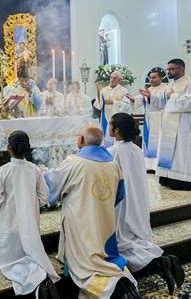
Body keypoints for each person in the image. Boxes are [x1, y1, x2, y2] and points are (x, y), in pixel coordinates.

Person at [44, 125, 139, 298]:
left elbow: (52, 186)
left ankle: (115, 289)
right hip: (105, 224)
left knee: (84, 266)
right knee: (104, 257)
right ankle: (124, 281)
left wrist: (41, 173)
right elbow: (120, 195)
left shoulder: (74, 162)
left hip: (81, 225)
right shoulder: (113, 163)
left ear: (81, 140)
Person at [108, 113, 185, 295]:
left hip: (123, 202)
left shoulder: (113, 152)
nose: (108, 127)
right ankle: (163, 258)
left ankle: (159, 262)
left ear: (116, 130)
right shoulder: (135, 149)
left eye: (110, 124)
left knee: (122, 242)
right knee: (135, 239)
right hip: (137, 201)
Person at [0, 131, 60, 298]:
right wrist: (32, 203)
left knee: (11, 259)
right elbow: (44, 197)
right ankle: (39, 277)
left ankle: (32, 281)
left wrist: (2, 202)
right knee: (31, 251)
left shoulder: (3, 171)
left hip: (9, 221)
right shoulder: (34, 169)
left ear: (9, 148)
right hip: (31, 220)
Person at [139, 59, 191, 191]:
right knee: (168, 152)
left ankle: (183, 181)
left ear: (181, 69)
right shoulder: (169, 85)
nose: (168, 72)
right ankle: (167, 178)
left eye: (171, 69)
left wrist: (173, 96)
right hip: (168, 126)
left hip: (183, 126)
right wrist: (151, 97)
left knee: (181, 153)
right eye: (168, 69)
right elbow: (161, 103)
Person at [126, 69, 166, 171]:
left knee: (158, 142)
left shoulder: (165, 89)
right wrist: (132, 99)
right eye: (150, 77)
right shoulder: (149, 89)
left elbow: (162, 103)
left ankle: (157, 166)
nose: (151, 79)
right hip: (148, 120)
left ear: (161, 78)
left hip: (160, 119)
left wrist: (150, 97)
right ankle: (148, 165)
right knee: (148, 141)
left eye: (154, 77)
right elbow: (139, 100)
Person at [94, 71, 132, 146]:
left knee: (116, 140)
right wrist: (98, 92)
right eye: (111, 77)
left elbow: (127, 105)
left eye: (115, 78)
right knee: (105, 140)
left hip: (117, 120)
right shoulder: (104, 90)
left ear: (119, 80)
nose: (112, 79)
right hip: (105, 118)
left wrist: (114, 102)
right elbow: (99, 105)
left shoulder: (124, 90)